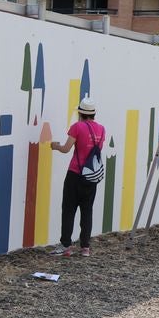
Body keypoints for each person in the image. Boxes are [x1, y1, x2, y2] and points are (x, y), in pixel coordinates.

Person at [49, 97, 106, 257]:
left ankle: (65, 245)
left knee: (68, 209)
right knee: (87, 210)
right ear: (94, 113)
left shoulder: (77, 127)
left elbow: (66, 149)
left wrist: (55, 146)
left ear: (80, 113)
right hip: (92, 175)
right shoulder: (101, 129)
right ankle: (85, 247)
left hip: (75, 174)